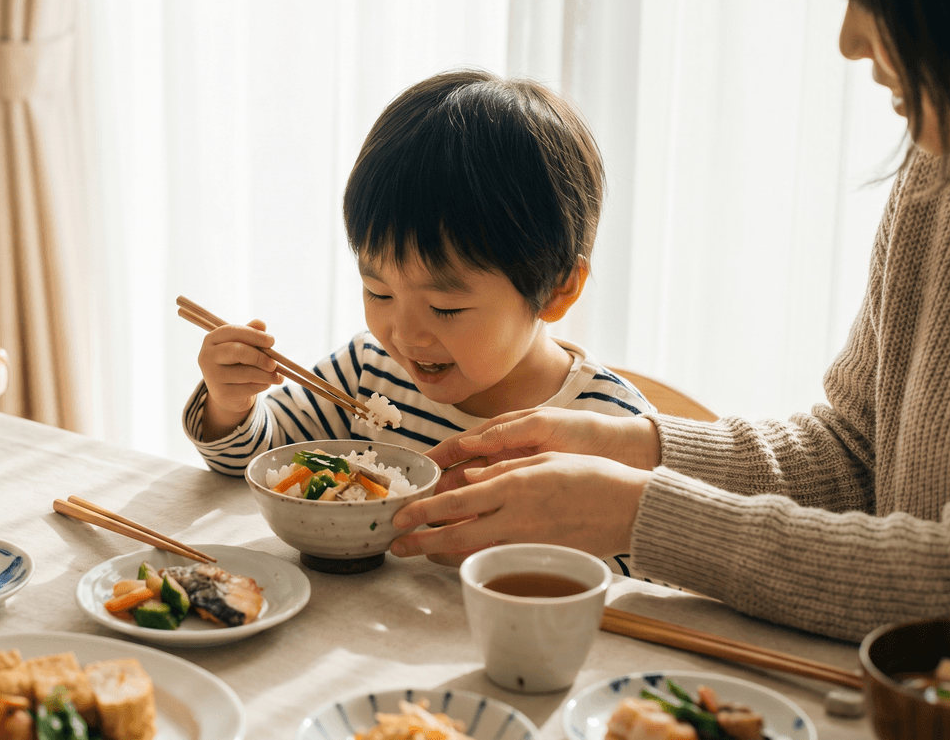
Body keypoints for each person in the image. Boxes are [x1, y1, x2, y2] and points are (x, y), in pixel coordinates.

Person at [388, 0, 950, 642]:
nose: (851, 38)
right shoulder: (939, 166)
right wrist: (642, 447)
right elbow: (857, 456)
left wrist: (641, 511)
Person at [183, 68, 654, 580]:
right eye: (377, 292)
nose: (403, 336)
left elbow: (655, 589)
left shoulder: (614, 428)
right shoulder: (368, 371)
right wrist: (230, 404)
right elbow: (255, 468)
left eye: (446, 308)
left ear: (558, 287)